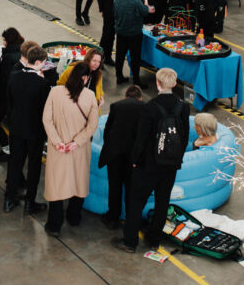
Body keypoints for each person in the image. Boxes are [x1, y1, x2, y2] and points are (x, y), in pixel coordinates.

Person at [114, 68, 189, 253]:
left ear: (157, 83)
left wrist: (134, 161)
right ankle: (154, 239)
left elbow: (141, 139)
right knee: (162, 202)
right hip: (170, 165)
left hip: (149, 165)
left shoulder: (149, 108)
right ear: (174, 83)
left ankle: (130, 242)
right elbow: (184, 137)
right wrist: (177, 159)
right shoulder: (183, 107)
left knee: (136, 201)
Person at [42, 61, 99, 236]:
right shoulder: (90, 96)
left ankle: (54, 225)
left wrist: (57, 142)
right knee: (78, 181)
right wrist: (76, 142)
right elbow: (92, 125)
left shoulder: (55, 92)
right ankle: (74, 217)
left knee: (57, 185)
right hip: (79, 149)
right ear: (85, 78)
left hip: (58, 149)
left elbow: (47, 119)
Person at [4, 44, 51, 214]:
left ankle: (9, 199)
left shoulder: (14, 76)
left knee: (15, 163)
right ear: (38, 62)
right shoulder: (42, 83)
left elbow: (9, 102)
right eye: (43, 62)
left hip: (16, 127)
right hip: (34, 131)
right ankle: (30, 201)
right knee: (34, 166)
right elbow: (45, 110)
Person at [98, 85, 144, 230]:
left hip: (115, 152)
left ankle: (112, 217)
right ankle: (131, 219)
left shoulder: (116, 106)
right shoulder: (145, 108)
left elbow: (107, 130)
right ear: (140, 98)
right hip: (133, 156)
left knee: (115, 186)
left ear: (125, 96)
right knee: (131, 188)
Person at [0, 28, 24, 163]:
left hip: (5, 97)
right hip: (18, 96)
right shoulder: (22, 52)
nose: (3, 42)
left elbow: (2, 78)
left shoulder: (8, 57)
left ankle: (6, 149)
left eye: (4, 40)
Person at [114, 0, 151, 88]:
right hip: (134, 34)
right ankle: (136, 80)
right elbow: (144, 12)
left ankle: (119, 77)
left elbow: (115, 13)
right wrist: (145, 1)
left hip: (121, 32)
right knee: (135, 57)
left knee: (120, 55)